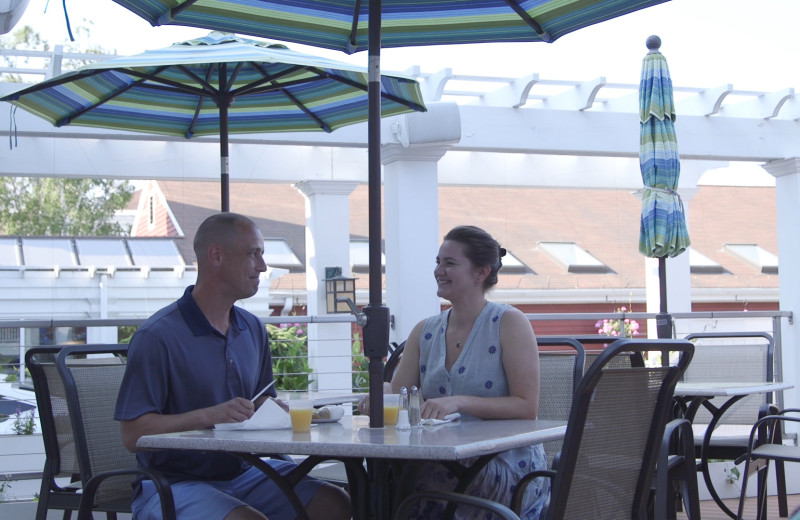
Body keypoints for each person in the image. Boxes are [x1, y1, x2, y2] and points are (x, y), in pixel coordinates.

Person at [114, 213, 351, 520]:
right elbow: (132, 435)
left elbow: (259, 400)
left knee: (335, 504)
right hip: (173, 483)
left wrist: (275, 409)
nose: (263, 267)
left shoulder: (252, 329)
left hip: (246, 472)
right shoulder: (157, 336)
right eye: (254, 254)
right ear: (216, 255)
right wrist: (207, 416)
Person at [381, 225, 547, 519]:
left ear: (481, 272)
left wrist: (459, 401)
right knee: (382, 475)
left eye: (450, 263)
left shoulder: (510, 323)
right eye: (438, 262)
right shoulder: (425, 330)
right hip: (440, 457)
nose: (438, 270)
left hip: (501, 464)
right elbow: (399, 396)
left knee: (405, 481)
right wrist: (375, 395)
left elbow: (527, 407)